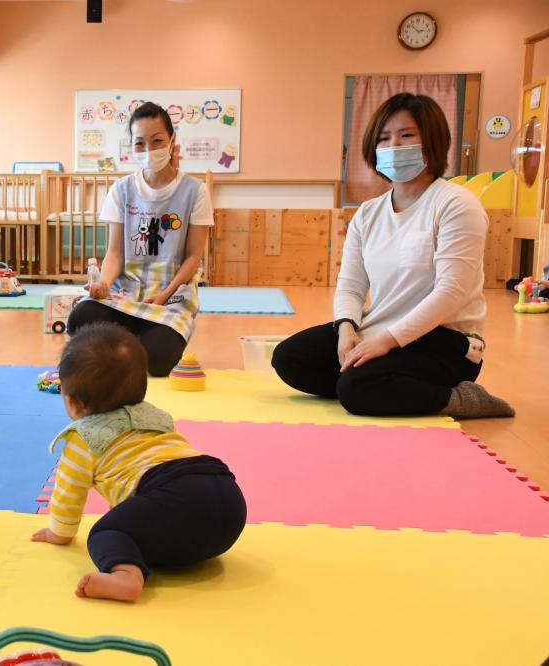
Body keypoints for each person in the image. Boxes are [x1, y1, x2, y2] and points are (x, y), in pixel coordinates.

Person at [271, 93, 513, 419]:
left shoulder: (457, 204)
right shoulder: (368, 213)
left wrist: (386, 342)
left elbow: (452, 291)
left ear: (434, 142)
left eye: (407, 135)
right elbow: (351, 283)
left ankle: (460, 398)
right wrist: (346, 330)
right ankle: (376, 384)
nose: (394, 146)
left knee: (357, 389)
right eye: (384, 138)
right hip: (381, 329)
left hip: (446, 343)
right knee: (290, 357)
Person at [31, 323, 246, 602]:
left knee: (106, 530)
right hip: (228, 500)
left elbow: (67, 494)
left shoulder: (82, 438)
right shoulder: (155, 416)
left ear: (72, 402)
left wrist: (58, 532)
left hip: (177, 502)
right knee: (150, 515)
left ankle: (126, 575)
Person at [66, 102, 213, 377]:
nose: (148, 151)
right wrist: (104, 284)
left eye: (157, 141)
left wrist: (165, 294)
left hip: (170, 299)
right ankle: (131, 341)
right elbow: (114, 253)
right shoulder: (122, 189)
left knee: (158, 360)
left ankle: (126, 344)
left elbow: (194, 257)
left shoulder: (196, 191)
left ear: (172, 141)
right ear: (132, 146)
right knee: (80, 319)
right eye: (139, 144)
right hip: (125, 294)